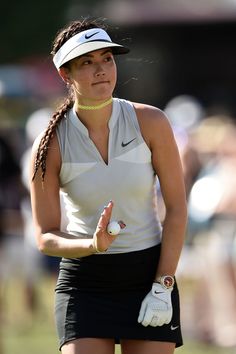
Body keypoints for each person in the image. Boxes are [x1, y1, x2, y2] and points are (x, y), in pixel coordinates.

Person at [30, 18, 187, 354]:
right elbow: (45, 236)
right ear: (65, 74)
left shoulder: (152, 122)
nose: (101, 69)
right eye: (87, 62)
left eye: (107, 59)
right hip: (85, 283)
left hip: (150, 277)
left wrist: (164, 284)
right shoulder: (50, 144)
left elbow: (176, 209)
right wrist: (93, 244)